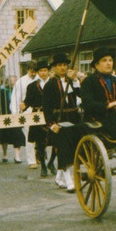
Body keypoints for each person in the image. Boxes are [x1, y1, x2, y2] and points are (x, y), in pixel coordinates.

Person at [43, 53, 83, 191]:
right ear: (53, 68)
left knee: (71, 148)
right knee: (63, 148)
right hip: (58, 120)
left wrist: (76, 81)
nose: (62, 68)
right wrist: (51, 124)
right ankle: (68, 179)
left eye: (65, 65)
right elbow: (46, 107)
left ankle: (59, 177)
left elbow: (80, 95)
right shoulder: (49, 85)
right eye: (59, 65)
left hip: (73, 118)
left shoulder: (71, 81)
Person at [80, 47, 116, 140]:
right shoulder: (88, 81)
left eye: (110, 60)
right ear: (96, 64)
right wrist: (108, 105)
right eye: (104, 60)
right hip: (97, 120)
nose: (109, 63)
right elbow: (88, 104)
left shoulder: (115, 81)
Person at [24, 60, 53, 173]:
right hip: (38, 114)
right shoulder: (32, 86)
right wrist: (24, 105)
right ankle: (43, 166)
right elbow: (28, 101)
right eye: (41, 70)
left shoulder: (54, 83)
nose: (43, 73)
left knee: (55, 140)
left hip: (52, 114)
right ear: (37, 72)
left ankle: (51, 163)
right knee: (40, 142)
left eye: (45, 70)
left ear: (48, 71)